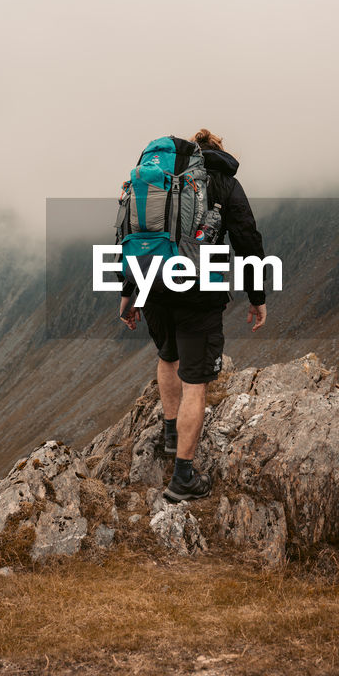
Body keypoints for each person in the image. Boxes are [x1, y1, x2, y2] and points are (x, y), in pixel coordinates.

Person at [118, 129, 268, 503]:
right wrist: (257, 296)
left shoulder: (158, 181)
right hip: (199, 289)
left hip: (151, 280)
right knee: (196, 381)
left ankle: (171, 434)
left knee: (168, 356)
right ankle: (183, 477)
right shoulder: (223, 183)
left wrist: (128, 292)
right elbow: (247, 238)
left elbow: (126, 234)